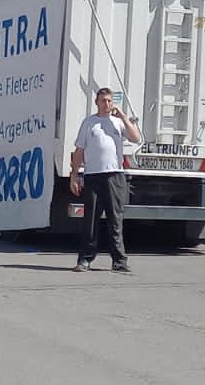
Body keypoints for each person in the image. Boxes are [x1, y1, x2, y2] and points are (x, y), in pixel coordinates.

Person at [70, 88, 142, 273]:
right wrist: (74, 175)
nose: (107, 104)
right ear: (97, 102)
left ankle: (119, 260)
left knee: (115, 219)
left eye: (109, 101)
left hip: (115, 175)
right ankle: (85, 259)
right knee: (91, 220)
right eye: (103, 100)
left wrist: (124, 116)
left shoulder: (118, 123)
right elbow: (79, 150)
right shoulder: (89, 123)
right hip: (93, 175)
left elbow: (136, 138)